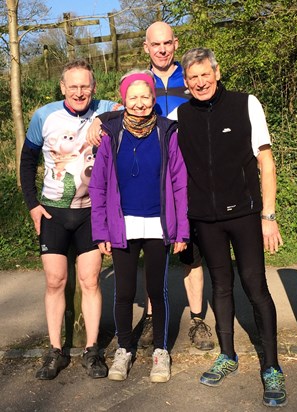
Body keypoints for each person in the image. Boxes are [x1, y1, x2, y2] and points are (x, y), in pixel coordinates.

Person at [86, 21, 213, 352]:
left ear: (175, 43)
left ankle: (198, 319)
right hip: (155, 184)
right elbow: (115, 112)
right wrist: (99, 121)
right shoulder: (139, 84)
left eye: (167, 43)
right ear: (146, 47)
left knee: (192, 255)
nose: (161, 49)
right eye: (155, 44)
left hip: (190, 178)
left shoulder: (190, 78)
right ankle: (155, 321)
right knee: (152, 268)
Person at [177, 47, 286, 407]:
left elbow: (265, 163)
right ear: (186, 82)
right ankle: (227, 355)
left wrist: (268, 217)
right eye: (192, 78)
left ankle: (271, 367)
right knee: (220, 286)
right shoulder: (182, 114)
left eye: (205, 74)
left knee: (255, 286)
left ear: (217, 72)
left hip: (244, 213)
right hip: (206, 218)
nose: (200, 82)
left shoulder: (246, 103)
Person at [20, 58, 121, 380]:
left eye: (85, 86)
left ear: (93, 87)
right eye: (73, 86)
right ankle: (55, 351)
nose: (79, 92)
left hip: (90, 212)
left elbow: (134, 102)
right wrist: (33, 205)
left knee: (90, 281)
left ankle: (92, 351)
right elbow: (27, 159)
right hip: (53, 212)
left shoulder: (104, 106)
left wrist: (101, 118)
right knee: (55, 282)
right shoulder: (44, 116)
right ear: (62, 87)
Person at [88, 69, 189, 382]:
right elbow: (99, 186)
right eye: (134, 97)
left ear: (153, 98)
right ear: (124, 100)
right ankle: (124, 349)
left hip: (159, 225)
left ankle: (160, 351)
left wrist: (181, 229)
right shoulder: (111, 133)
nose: (141, 102)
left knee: (157, 291)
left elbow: (179, 182)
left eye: (146, 96)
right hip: (122, 225)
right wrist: (101, 230)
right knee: (124, 291)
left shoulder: (166, 131)